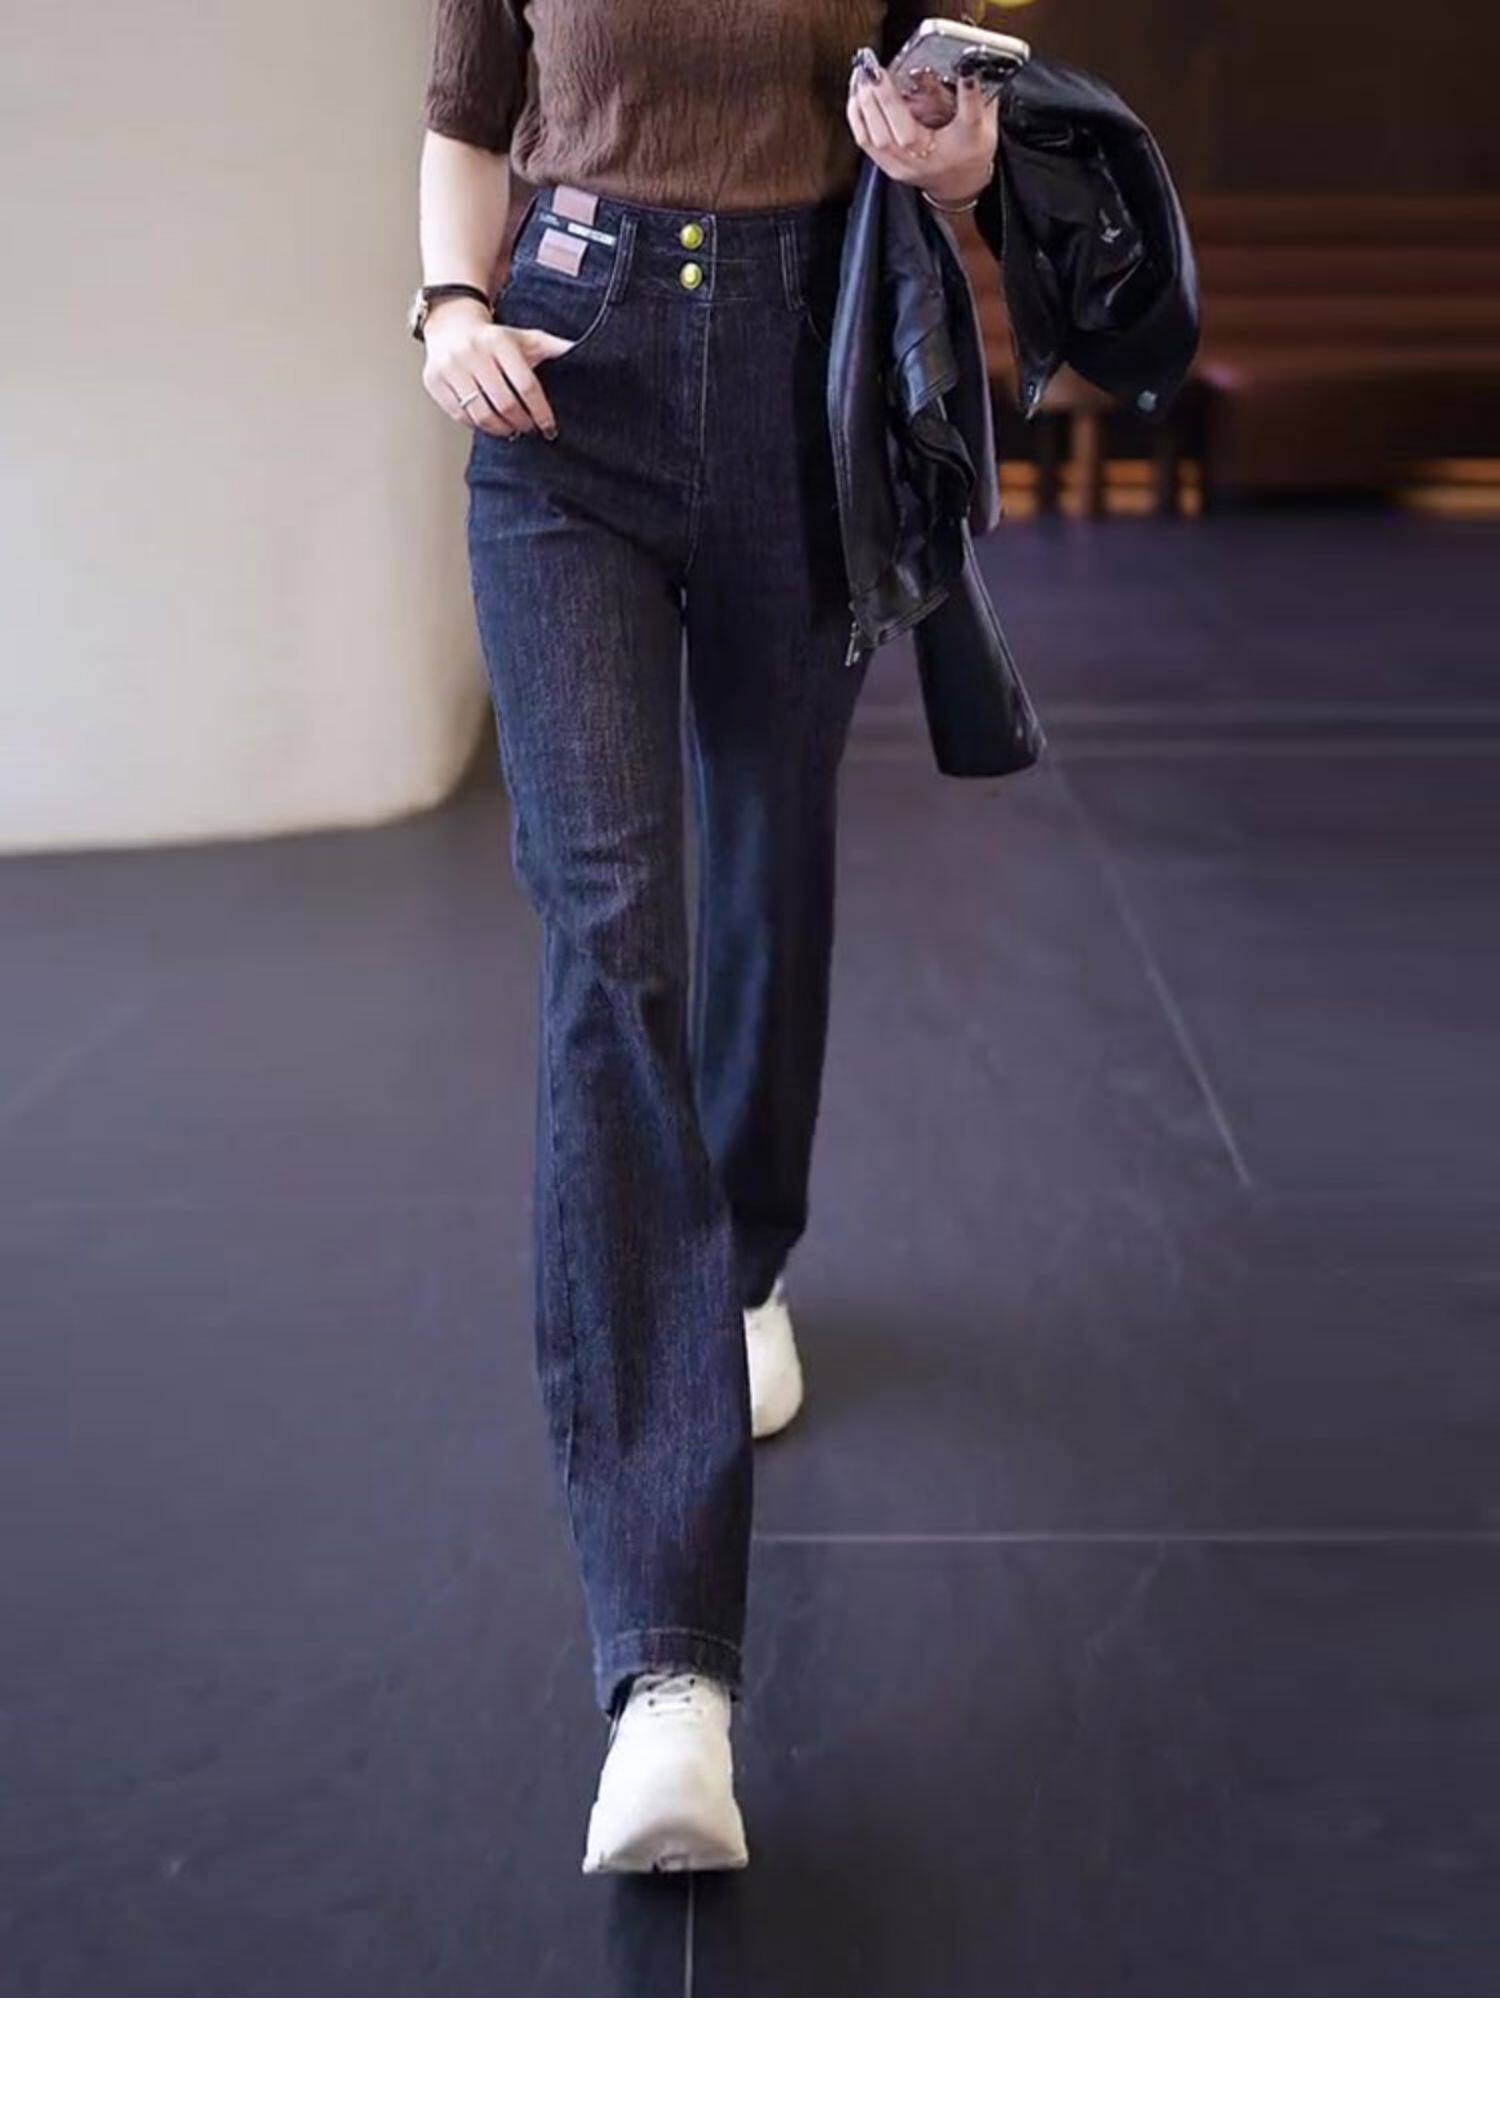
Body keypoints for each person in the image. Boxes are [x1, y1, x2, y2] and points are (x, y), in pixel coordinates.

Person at [414, 0, 1000, 1875]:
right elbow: (469, 118)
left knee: (766, 845)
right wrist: (447, 308)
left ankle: (743, 1263)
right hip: (563, 383)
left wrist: (950, 156)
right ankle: (667, 1679)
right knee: (610, 937)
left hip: (804, 387)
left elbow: (956, 115)